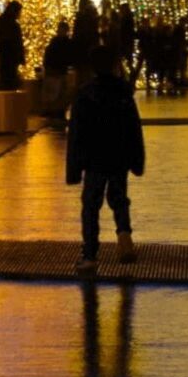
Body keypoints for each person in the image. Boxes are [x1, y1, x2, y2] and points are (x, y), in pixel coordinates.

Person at [66, 44, 145, 274]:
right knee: (119, 197)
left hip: (94, 158)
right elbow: (134, 129)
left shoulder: (85, 94)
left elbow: (77, 134)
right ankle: (124, 235)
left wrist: (74, 168)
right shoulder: (123, 93)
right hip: (118, 155)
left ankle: (90, 255)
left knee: (91, 204)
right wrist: (136, 160)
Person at [42, 19, 76, 125]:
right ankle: (56, 113)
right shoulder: (59, 42)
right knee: (56, 92)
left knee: (58, 92)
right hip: (56, 70)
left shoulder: (58, 42)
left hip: (58, 70)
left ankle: (57, 113)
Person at [0, 0, 26, 90]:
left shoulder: (2, 21)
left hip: (5, 57)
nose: (20, 14)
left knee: (6, 79)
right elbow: (16, 42)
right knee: (9, 81)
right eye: (19, 12)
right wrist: (20, 57)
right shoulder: (13, 25)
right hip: (10, 58)